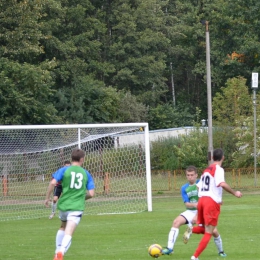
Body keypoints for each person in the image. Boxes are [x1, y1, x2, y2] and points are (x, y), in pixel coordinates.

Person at [189, 148, 242, 260]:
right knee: (209, 231)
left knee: (207, 229)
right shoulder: (218, 169)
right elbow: (221, 184)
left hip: (202, 200)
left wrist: (214, 197)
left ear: (212, 158)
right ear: (223, 157)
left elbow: (198, 186)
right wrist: (234, 192)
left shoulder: (206, 170)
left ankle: (191, 229)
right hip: (210, 202)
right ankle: (195, 256)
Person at [162, 166, 226, 257]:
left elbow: (211, 194)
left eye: (192, 175)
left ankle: (221, 251)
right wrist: (195, 205)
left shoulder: (202, 183)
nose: (190, 177)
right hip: (190, 211)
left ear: (196, 175)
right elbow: (187, 204)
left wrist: (217, 200)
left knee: (214, 231)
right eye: (188, 175)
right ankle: (169, 248)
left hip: (204, 210)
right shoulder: (184, 188)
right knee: (176, 222)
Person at [44, 148, 95, 260]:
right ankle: (60, 252)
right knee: (69, 232)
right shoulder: (86, 173)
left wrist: (47, 198)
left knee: (62, 227)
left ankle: (57, 252)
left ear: (72, 158)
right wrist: (81, 198)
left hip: (64, 205)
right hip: (76, 207)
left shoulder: (64, 170)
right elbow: (91, 194)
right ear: (82, 159)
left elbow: (52, 183)